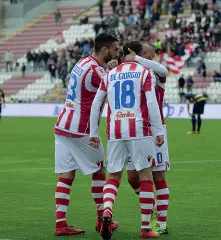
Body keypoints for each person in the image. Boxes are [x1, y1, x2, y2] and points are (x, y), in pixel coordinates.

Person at [89, 41, 164, 239]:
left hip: (115, 131)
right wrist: (158, 130)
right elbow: (151, 102)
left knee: (113, 177)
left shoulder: (110, 74)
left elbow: (96, 104)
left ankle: (107, 210)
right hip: (139, 129)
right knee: (145, 176)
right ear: (138, 55)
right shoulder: (145, 73)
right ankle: (146, 228)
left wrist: (93, 132)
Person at [53, 33, 120, 236]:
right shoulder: (96, 71)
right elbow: (115, 90)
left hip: (63, 124)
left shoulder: (82, 63)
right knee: (99, 170)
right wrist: (115, 71)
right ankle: (101, 220)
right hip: (81, 129)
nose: (118, 53)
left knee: (67, 174)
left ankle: (60, 224)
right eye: (116, 50)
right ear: (105, 50)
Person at [124, 42, 170, 235]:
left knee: (158, 176)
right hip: (133, 129)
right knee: (132, 177)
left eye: (147, 54)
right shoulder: (130, 72)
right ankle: (150, 204)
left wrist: (137, 58)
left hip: (154, 130)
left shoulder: (155, 74)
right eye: (142, 54)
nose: (146, 57)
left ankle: (161, 222)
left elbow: (163, 69)